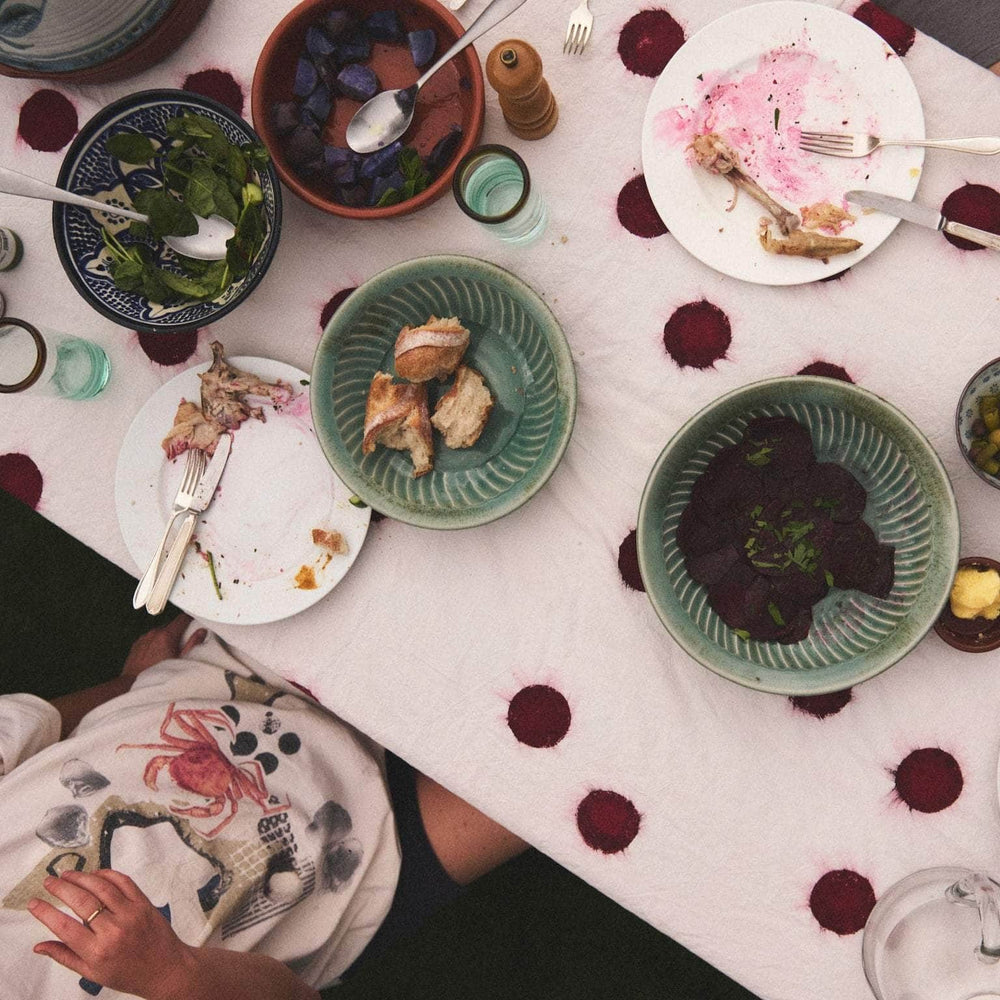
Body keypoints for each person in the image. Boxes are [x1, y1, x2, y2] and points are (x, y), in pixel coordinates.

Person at [0, 615, 526, 999]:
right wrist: (172, 974)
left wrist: (128, 684)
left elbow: (30, 725)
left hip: (218, 686)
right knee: (563, 772)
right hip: (358, 867)